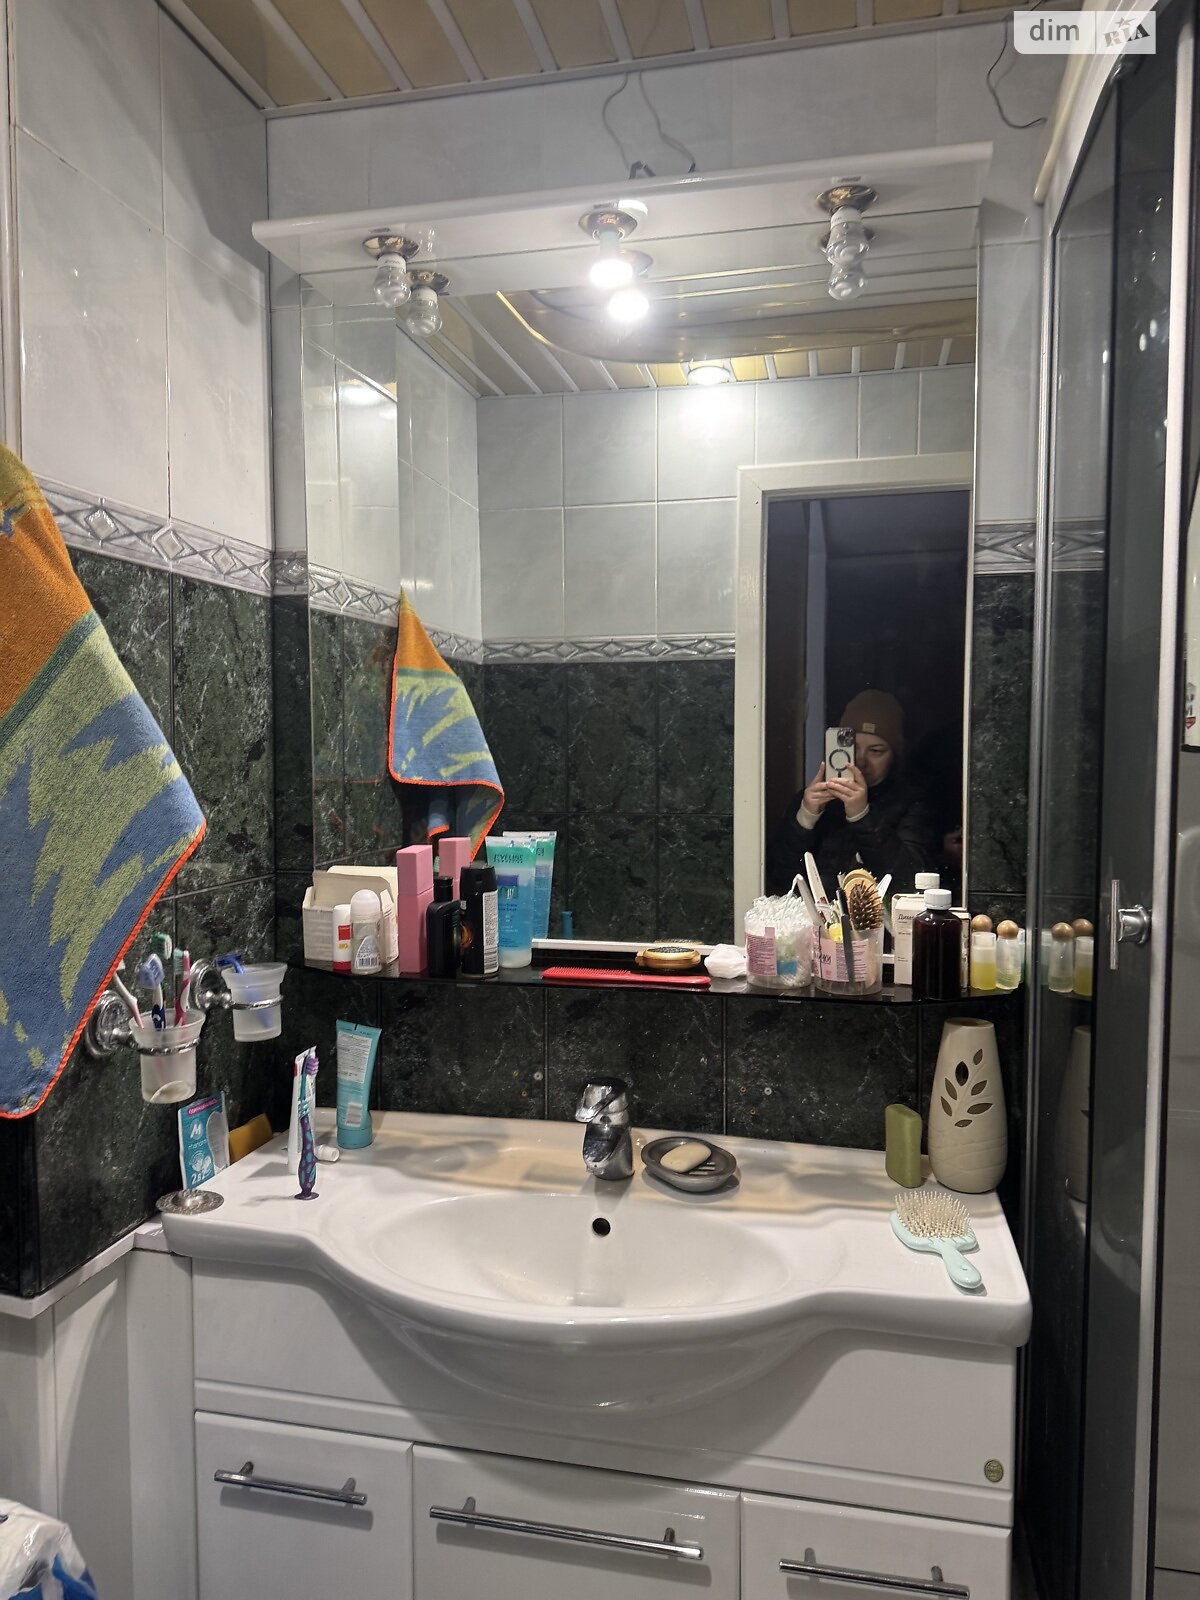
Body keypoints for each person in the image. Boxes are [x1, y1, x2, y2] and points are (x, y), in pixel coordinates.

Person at [765, 690, 937, 894]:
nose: (861, 761)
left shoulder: (912, 803)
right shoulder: (817, 800)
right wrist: (805, 818)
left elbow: (909, 882)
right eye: (852, 748)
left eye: (876, 751)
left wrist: (862, 816)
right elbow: (778, 877)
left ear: (894, 756)